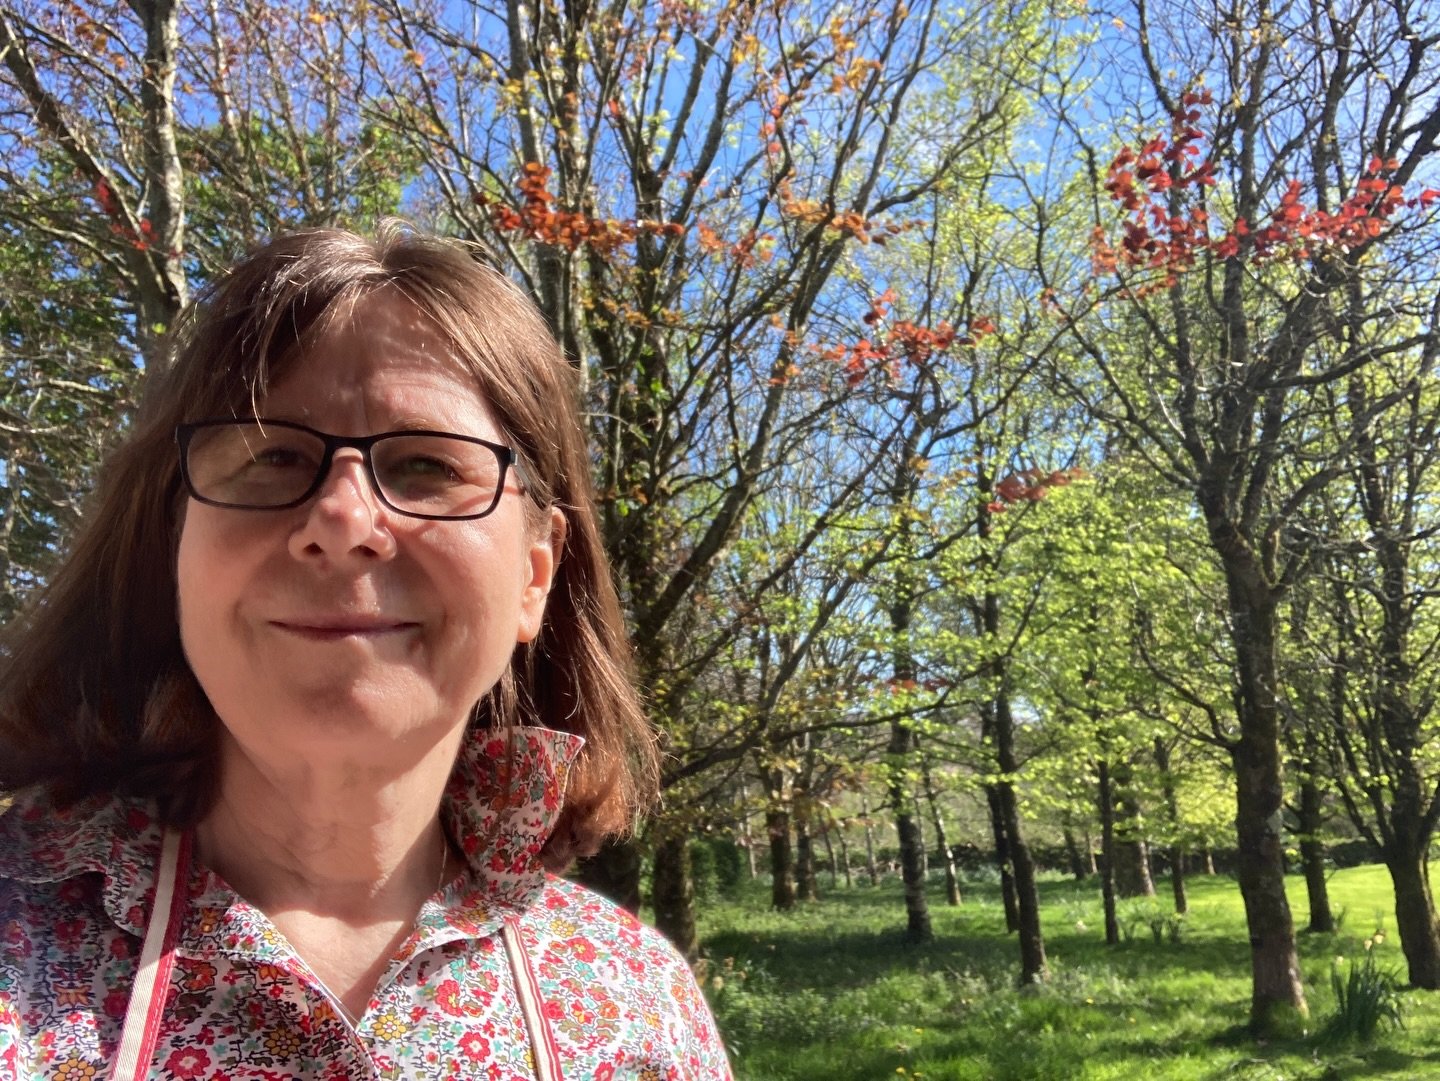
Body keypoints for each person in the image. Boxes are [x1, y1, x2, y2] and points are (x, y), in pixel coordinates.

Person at [0, 223, 731, 1080]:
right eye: (272, 454)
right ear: (174, 552)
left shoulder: (638, 1004)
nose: (343, 522)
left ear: (535, 577)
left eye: (425, 465)